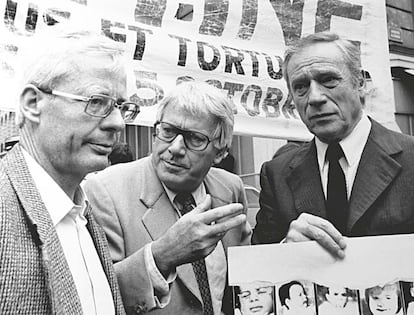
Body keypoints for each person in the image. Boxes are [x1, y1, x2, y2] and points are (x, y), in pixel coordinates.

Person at [0, 25, 140, 314]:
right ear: (32, 103)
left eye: (121, 106)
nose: (118, 123)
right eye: (97, 102)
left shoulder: (82, 212)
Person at [83, 80, 251, 314]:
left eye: (195, 138)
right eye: (168, 131)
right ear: (156, 131)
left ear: (220, 152)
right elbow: (92, 296)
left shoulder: (230, 188)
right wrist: (161, 256)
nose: (175, 148)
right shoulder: (104, 191)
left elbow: (244, 278)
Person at [252, 31, 414, 259]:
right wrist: (284, 249)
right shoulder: (276, 174)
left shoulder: (410, 159)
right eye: (301, 87)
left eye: (328, 80)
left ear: (360, 84)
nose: (315, 97)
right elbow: (258, 269)